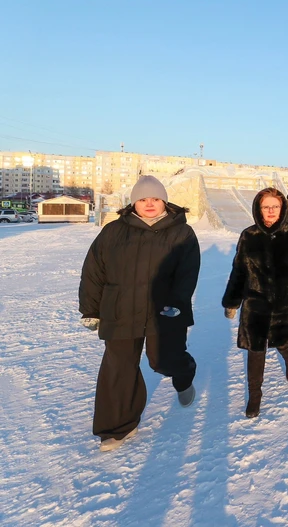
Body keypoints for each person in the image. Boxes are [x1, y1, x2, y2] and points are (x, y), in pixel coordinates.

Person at [79, 175, 201, 452]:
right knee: (118, 368)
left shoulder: (182, 233)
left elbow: (187, 274)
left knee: (163, 361)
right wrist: (90, 308)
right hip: (119, 310)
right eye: (143, 199)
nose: (149, 204)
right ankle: (119, 427)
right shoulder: (113, 232)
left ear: (164, 202)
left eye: (155, 199)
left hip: (164, 312)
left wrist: (178, 303)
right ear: (134, 202)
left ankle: (184, 374)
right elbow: (93, 271)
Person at [222, 187, 288, 418]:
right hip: (256, 304)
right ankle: (255, 396)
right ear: (258, 209)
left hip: (286, 303)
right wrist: (232, 301)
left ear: (282, 208)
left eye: (275, 206)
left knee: (283, 342)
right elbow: (239, 270)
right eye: (266, 207)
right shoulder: (248, 235)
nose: (271, 211)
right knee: (255, 349)